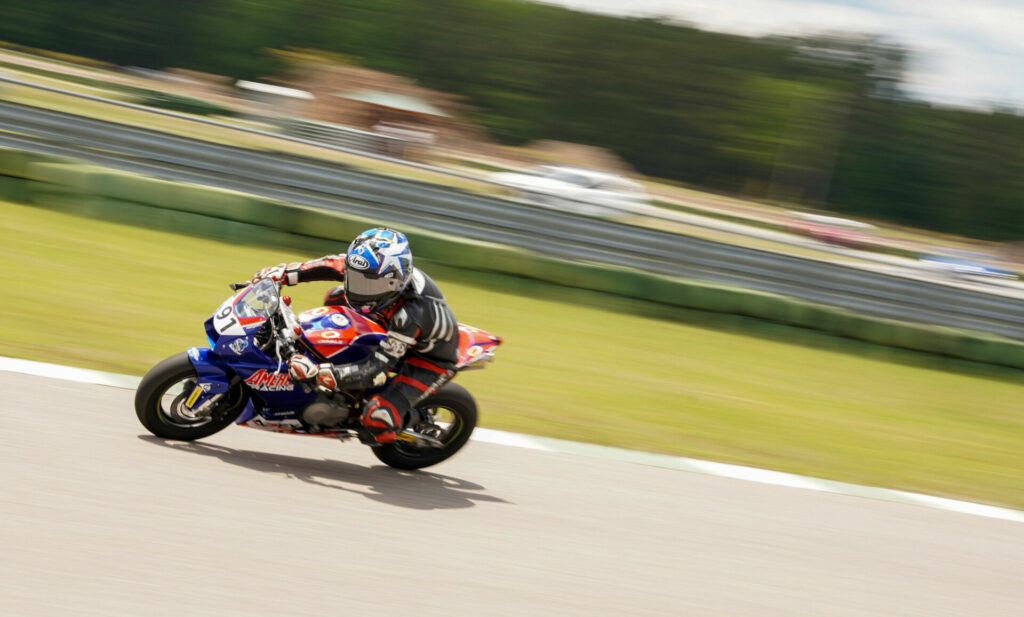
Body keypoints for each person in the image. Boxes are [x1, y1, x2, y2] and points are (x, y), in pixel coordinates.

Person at [251, 228, 459, 444]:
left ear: (395, 281)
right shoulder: (372, 268)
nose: (360, 290)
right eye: (356, 279)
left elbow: (376, 367)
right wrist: (280, 275)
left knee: (377, 420)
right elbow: (324, 266)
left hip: (427, 358)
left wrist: (321, 374)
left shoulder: (410, 316)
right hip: (385, 322)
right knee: (335, 297)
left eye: (371, 284)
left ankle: (393, 424)